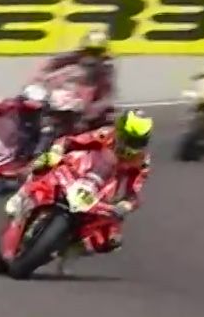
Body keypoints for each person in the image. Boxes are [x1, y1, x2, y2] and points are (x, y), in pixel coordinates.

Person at [28, 109, 154, 266]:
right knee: (44, 163)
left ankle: (70, 250)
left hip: (103, 192)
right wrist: (56, 152)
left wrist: (126, 205)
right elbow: (69, 141)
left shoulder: (141, 161)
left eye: (139, 142)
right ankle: (24, 194)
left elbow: (134, 192)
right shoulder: (105, 134)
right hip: (81, 171)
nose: (132, 146)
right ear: (121, 132)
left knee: (111, 241)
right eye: (130, 139)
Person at [32, 29, 117, 129]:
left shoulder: (106, 70)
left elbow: (106, 95)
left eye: (97, 52)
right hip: (67, 99)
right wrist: (40, 78)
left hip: (88, 107)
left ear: (103, 53)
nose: (92, 55)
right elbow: (50, 64)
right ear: (84, 49)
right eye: (89, 50)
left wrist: (92, 110)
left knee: (106, 119)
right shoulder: (74, 57)